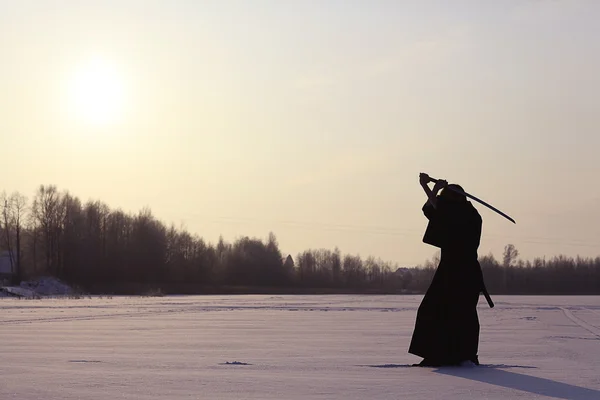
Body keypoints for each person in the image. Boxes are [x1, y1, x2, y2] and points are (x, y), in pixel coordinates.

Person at [408, 173, 489, 367]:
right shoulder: (458, 212)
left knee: (461, 313)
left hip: (463, 271)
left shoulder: (467, 215)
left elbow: (439, 210)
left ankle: (464, 355)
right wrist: (431, 189)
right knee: (435, 310)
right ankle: (439, 354)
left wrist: (430, 189)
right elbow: (435, 210)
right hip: (450, 270)